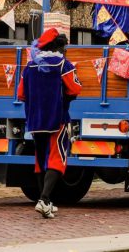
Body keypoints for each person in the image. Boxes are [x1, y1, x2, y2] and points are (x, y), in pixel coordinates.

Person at [17, 28, 82, 219]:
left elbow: (21, 94)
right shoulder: (63, 64)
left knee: (40, 160)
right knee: (56, 159)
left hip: (35, 120)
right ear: (59, 47)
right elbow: (75, 88)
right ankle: (44, 199)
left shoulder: (29, 67)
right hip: (58, 118)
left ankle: (45, 201)